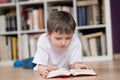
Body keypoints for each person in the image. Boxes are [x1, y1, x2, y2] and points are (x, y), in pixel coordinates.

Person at [32, 11, 92, 78]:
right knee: (28, 62)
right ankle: (19, 62)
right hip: (44, 62)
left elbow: (73, 64)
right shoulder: (43, 40)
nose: (63, 43)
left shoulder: (75, 40)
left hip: (62, 66)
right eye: (58, 38)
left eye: (68, 38)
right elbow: (40, 67)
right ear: (48, 34)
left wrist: (77, 65)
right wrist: (43, 70)